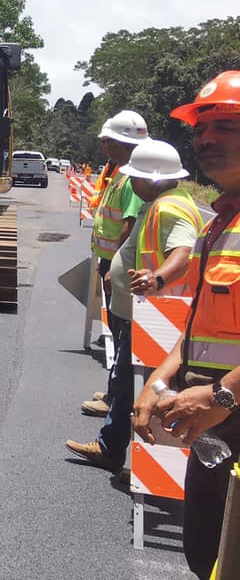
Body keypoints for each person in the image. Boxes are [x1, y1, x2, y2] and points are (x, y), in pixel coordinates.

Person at [133, 72, 240, 579]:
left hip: (223, 410)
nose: (207, 140)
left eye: (228, 126)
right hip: (215, 425)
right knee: (206, 554)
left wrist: (221, 395)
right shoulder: (219, 223)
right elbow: (199, 324)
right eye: (202, 130)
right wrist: (161, 379)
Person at [65, 138, 206, 473]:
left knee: (132, 382)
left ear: (153, 179)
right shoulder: (165, 200)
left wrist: (157, 278)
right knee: (127, 378)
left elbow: (183, 251)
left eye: (136, 177)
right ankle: (112, 445)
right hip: (146, 309)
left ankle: (111, 448)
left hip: (156, 312)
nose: (132, 182)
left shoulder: (169, 207)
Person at [77, 110, 148, 418]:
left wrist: (115, 267)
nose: (104, 146)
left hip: (117, 262)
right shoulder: (119, 172)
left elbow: (128, 226)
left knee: (121, 335)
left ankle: (116, 399)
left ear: (124, 143)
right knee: (117, 332)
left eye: (108, 141)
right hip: (109, 260)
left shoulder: (132, 178)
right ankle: (112, 393)